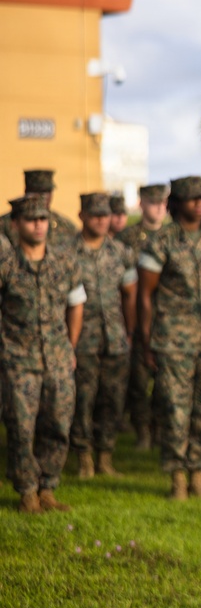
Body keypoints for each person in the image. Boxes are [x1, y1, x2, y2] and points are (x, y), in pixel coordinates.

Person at [137, 176, 201, 500]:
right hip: (173, 339)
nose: (199, 204)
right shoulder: (160, 241)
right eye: (192, 199)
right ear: (176, 204)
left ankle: (198, 474)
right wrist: (147, 340)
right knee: (176, 410)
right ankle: (177, 477)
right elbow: (145, 295)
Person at [1, 195, 86, 513]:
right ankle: (27, 491)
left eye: (43, 219)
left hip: (58, 359)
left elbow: (77, 303)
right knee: (21, 427)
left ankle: (48, 488)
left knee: (58, 424)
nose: (39, 225)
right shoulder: (7, 265)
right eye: (31, 219)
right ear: (15, 224)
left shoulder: (64, 263)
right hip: (18, 360)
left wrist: (71, 346)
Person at [70, 192, 137, 479]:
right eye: (95, 214)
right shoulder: (66, 252)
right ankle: (84, 458)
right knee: (83, 399)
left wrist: (130, 332)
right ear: (82, 216)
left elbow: (130, 295)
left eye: (105, 214)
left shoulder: (120, 252)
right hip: (81, 340)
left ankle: (105, 457)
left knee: (112, 399)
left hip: (115, 338)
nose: (100, 220)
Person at [118, 183, 169, 450]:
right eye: (153, 202)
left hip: (168, 319)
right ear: (142, 204)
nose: (159, 207)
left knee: (166, 381)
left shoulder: (173, 236)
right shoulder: (127, 238)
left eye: (163, 202)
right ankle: (142, 433)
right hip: (137, 318)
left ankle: (160, 430)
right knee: (138, 381)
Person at [0, 169, 79, 248]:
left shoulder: (65, 226)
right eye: (37, 191)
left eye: (46, 192)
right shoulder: (4, 223)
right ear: (26, 192)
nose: (42, 196)